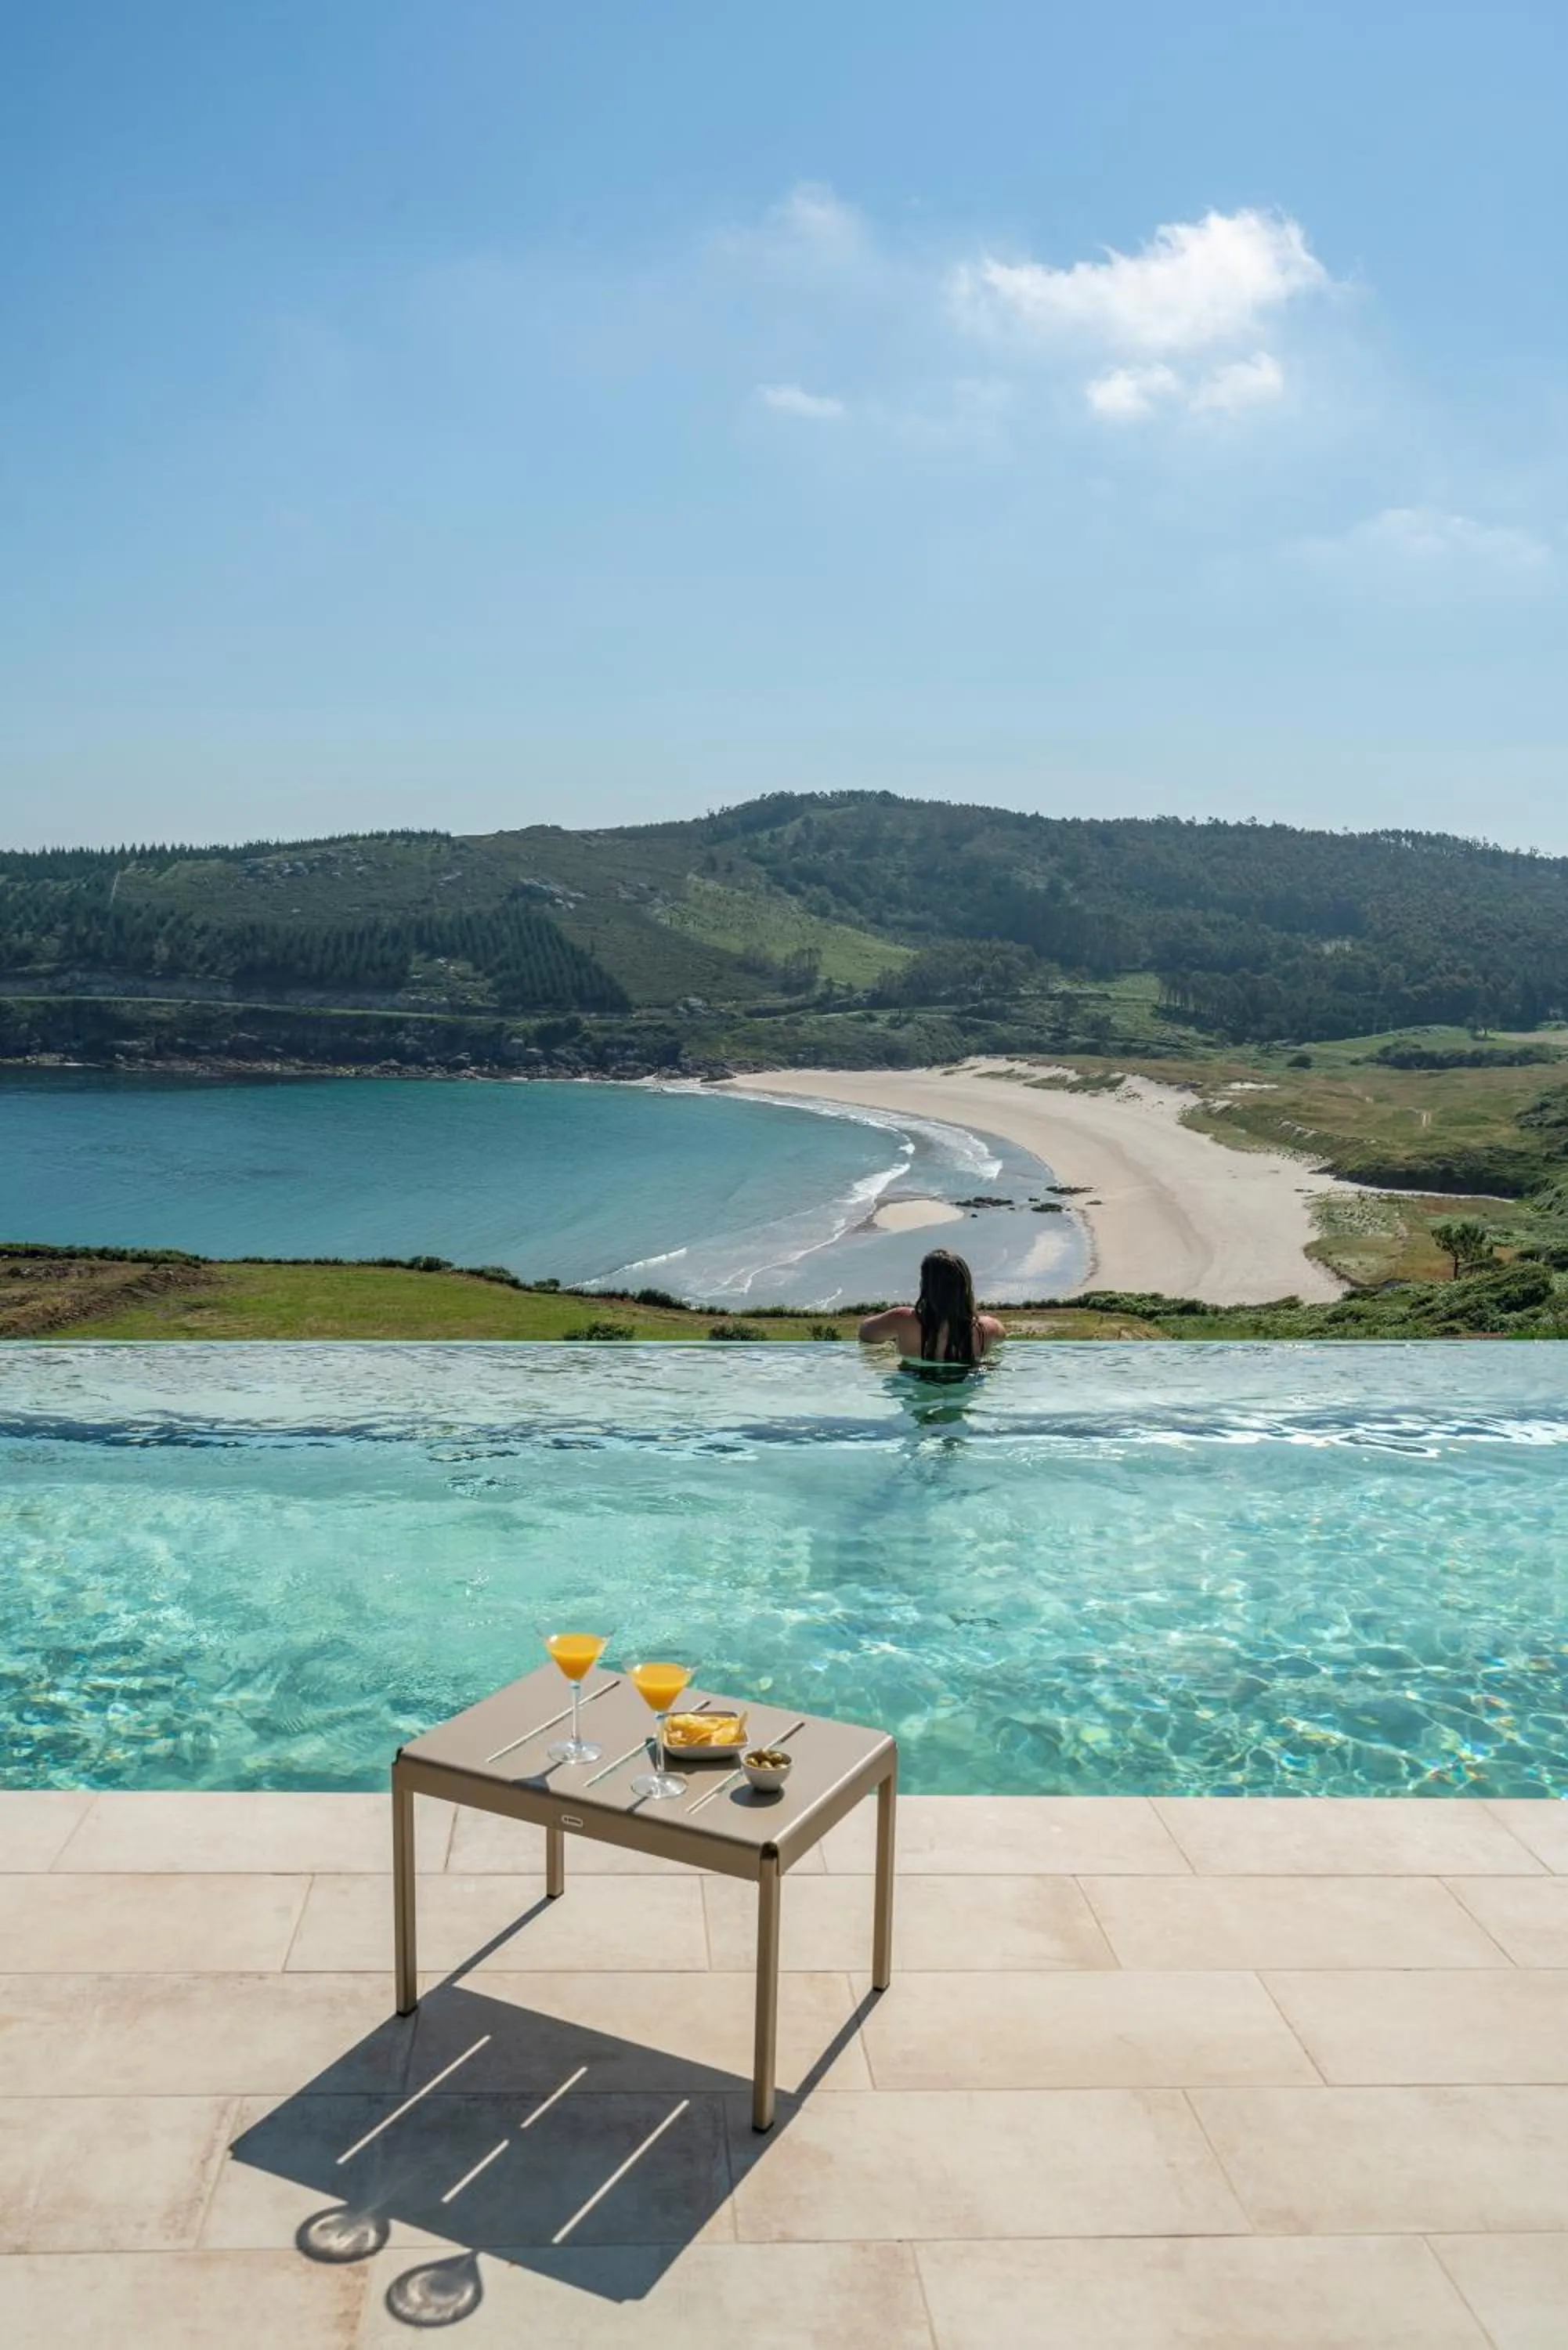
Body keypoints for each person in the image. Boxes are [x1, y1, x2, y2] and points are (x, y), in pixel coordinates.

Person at [857, 1249, 1005, 1376]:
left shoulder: (903, 1319)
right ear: (965, 1287)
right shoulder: (986, 1328)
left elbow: (865, 1333)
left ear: (926, 1286)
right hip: (967, 1384)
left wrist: (892, 1342)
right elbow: (1002, 1337)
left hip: (915, 1383)